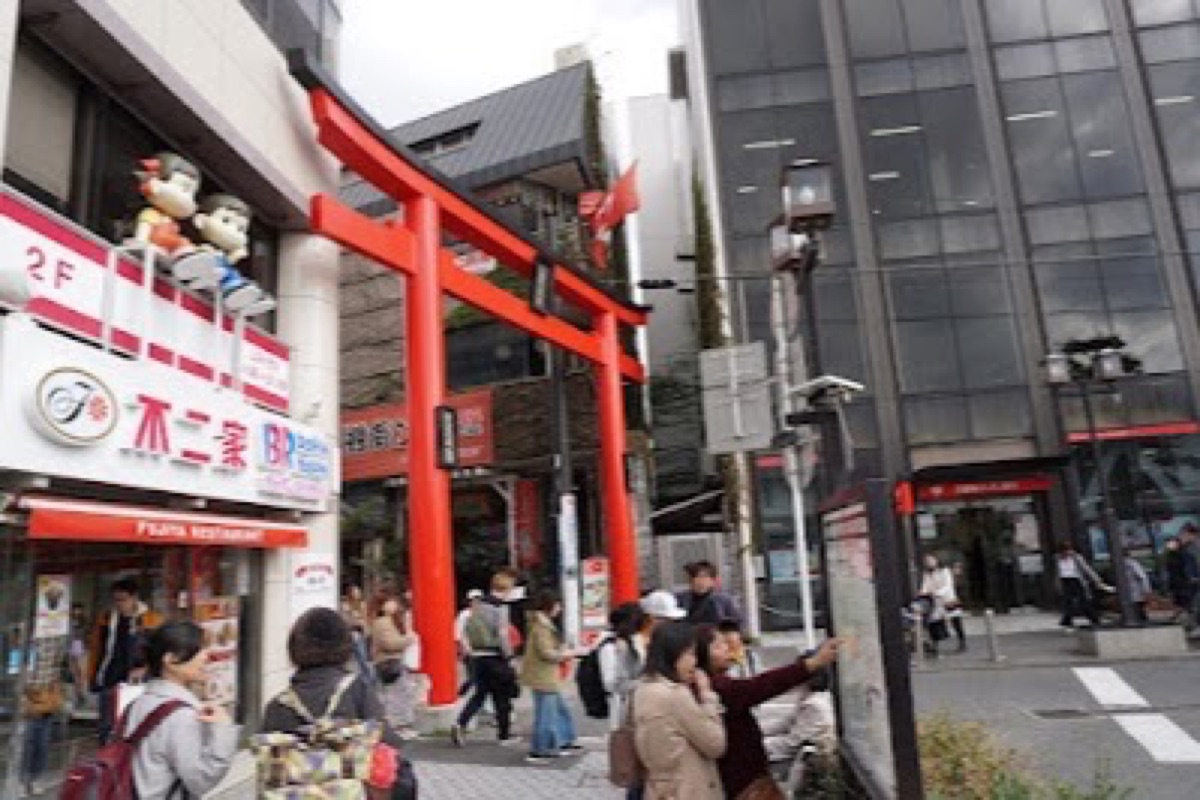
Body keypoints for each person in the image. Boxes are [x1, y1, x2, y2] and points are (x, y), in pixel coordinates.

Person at [261, 608, 417, 799]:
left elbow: (269, 779)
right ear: (344, 644)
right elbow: (388, 748)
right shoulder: (357, 691)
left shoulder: (276, 707)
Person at [696, 625, 840, 799]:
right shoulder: (715, 688)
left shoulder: (712, 685)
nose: (728, 649)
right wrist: (811, 664)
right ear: (700, 655)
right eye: (719, 646)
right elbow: (759, 686)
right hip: (744, 784)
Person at [123, 622, 239, 798]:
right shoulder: (179, 715)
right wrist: (223, 728)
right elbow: (201, 780)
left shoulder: (139, 702)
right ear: (170, 660)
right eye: (199, 650)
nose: (207, 656)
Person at [633, 622, 726, 800]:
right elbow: (715, 744)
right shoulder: (675, 695)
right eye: (690, 654)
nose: (695, 661)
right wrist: (708, 697)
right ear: (674, 655)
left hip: (658, 788)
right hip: (689, 789)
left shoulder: (643, 689)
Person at [451, 569, 521, 746]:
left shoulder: (478, 605)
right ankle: (504, 735)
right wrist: (510, 656)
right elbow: (503, 634)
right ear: (506, 588)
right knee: (501, 696)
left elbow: (468, 630)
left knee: (479, 695)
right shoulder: (501, 608)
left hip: (477, 657)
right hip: (494, 656)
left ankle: (460, 723)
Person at [90, 578, 164, 743]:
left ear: (134, 598)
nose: (119, 604)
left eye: (123, 599)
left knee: (134, 726)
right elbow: (98, 649)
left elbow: (160, 652)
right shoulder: (107, 619)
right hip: (110, 679)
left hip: (138, 683)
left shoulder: (151, 620)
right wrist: (94, 677)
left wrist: (146, 668)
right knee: (107, 727)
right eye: (115, 600)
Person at [520, 590, 581, 764]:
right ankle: (540, 749)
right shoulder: (542, 626)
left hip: (544, 674)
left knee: (558, 710)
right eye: (558, 605)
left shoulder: (541, 623)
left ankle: (562, 742)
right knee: (546, 714)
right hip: (543, 675)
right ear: (550, 606)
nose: (559, 609)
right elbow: (546, 653)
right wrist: (568, 653)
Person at [20, 635, 67, 796]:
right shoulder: (27, 637)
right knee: (28, 744)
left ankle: (35, 778)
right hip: (29, 695)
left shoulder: (58, 639)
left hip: (47, 696)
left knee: (42, 744)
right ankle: (25, 779)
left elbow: (57, 667)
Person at [371, 589, 418, 740]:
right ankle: (398, 726)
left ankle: (398, 725)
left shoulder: (386, 621)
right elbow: (389, 643)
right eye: (389, 602)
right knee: (397, 694)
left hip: (389, 661)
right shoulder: (383, 622)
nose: (393, 604)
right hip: (389, 661)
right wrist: (408, 640)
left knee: (396, 694)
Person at [599, 602, 645, 733]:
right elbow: (610, 684)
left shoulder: (635, 642)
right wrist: (643, 682)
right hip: (621, 708)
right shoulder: (610, 647)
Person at [1056, 542, 1109, 629]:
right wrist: (1058, 584)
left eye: (1068, 550)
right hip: (1065, 581)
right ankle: (1067, 620)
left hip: (1076, 580)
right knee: (1067, 602)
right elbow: (1058, 573)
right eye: (1064, 551)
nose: (1067, 553)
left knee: (1083, 601)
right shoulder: (1058, 559)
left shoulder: (1076, 558)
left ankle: (1094, 618)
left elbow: (1086, 569)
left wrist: (1096, 579)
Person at [920, 554, 966, 652]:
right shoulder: (927, 574)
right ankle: (935, 645)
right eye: (927, 561)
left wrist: (936, 592)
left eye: (931, 560)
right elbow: (925, 585)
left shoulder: (945, 571)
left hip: (949, 599)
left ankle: (962, 642)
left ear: (937, 560)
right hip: (936, 602)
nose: (929, 563)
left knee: (955, 621)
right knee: (934, 623)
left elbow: (948, 585)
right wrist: (923, 592)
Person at [677, 561, 742, 625]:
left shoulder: (724, 600)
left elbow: (736, 622)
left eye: (703, 576)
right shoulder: (680, 599)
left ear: (712, 580)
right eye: (694, 576)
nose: (697, 580)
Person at [455, 589, 485, 697]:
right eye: (474, 600)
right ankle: (461, 693)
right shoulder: (464, 614)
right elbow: (457, 633)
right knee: (473, 677)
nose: (477, 602)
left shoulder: (484, 613)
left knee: (482, 676)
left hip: (482, 650)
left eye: (479, 600)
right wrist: (461, 649)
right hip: (469, 650)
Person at [1163, 537, 1198, 624]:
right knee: (1181, 603)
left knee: (1188, 603)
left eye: (1170, 543)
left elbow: (1189, 568)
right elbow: (1168, 571)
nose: (1168, 545)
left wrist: (1191, 578)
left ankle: (1191, 622)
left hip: (1185, 584)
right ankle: (1184, 620)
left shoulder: (1184, 554)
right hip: (1176, 584)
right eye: (1167, 543)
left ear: (1177, 543)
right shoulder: (1170, 556)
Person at [1125, 551, 1153, 625]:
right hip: (1135, 594)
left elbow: (1143, 578)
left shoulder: (1132, 564)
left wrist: (1146, 591)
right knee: (1138, 612)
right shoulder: (1132, 564)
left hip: (1136, 593)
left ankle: (1143, 624)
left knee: (1138, 611)